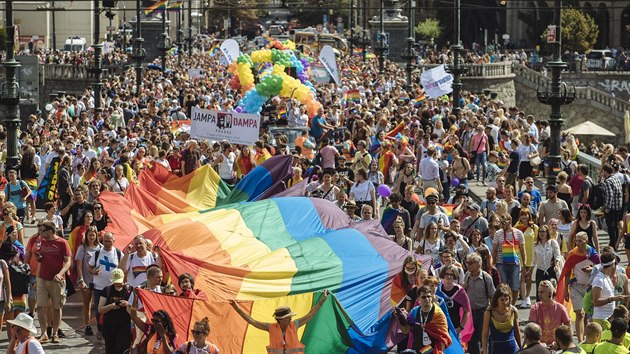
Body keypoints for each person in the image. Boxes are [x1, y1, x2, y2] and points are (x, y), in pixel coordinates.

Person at [230, 291, 329, 352]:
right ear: (280, 319)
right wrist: (237, 309)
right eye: (288, 317)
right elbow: (252, 321)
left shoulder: (295, 324)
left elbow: (310, 314)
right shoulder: (270, 327)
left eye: (290, 316)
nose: (290, 318)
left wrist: (322, 301)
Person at [556, 231, 600, 342]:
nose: (577, 243)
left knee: (586, 315)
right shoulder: (572, 254)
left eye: (580, 240)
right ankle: (580, 341)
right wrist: (565, 290)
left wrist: (592, 269)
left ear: (586, 241)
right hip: (575, 286)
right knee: (579, 313)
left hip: (589, 288)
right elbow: (566, 271)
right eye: (576, 240)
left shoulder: (593, 254)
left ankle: (585, 338)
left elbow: (600, 269)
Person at [35, 220, 71, 344]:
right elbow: (40, 257)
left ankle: (55, 333)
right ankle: (44, 333)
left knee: (57, 307)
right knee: (40, 306)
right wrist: (39, 258)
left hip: (57, 280)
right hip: (42, 278)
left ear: (50, 231)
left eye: (43, 230)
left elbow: (68, 261)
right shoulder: (42, 242)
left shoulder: (62, 243)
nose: (41, 232)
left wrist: (60, 274)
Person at [397, 285, 452, 354]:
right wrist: (398, 317)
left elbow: (443, 337)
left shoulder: (438, 314)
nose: (427, 299)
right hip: (417, 350)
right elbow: (406, 330)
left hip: (433, 350)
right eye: (424, 297)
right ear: (418, 299)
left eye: (429, 296)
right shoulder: (414, 311)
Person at [88, 232, 122, 340]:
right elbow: (89, 267)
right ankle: (100, 328)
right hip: (99, 287)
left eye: (109, 241)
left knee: (112, 310)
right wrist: (93, 272)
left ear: (113, 241)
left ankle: (110, 331)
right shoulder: (98, 253)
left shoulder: (118, 253)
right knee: (99, 310)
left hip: (113, 287)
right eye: (105, 241)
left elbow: (123, 268)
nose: (107, 243)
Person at [463, 252, 496, 354]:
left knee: (485, 339)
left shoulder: (486, 278)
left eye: (471, 263)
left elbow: (493, 296)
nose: (468, 265)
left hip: (483, 312)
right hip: (470, 313)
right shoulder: (467, 276)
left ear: (478, 264)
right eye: (467, 262)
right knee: (472, 340)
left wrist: (490, 313)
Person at [492, 215, 525, 305]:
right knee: (503, 287)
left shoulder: (518, 233)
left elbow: (522, 250)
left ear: (510, 221)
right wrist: (493, 263)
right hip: (501, 263)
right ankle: (504, 305)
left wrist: (524, 265)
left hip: (515, 263)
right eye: (501, 222)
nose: (502, 224)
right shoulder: (498, 233)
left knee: (515, 287)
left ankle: (512, 305)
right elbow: (494, 250)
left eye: (504, 222)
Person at [591, 252, 630, 330]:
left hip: (609, 318)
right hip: (601, 319)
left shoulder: (606, 277)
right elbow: (595, 302)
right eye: (615, 263)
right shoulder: (599, 279)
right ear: (612, 264)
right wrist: (612, 299)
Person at [98, 268, 132, 354]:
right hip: (110, 325)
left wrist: (127, 304)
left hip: (124, 325)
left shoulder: (129, 289)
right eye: (116, 281)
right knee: (110, 349)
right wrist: (110, 306)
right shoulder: (107, 290)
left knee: (122, 348)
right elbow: (100, 309)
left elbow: (135, 308)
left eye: (119, 281)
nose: (118, 283)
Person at [75, 225, 101, 336]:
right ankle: (87, 325)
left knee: (99, 304)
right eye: (89, 235)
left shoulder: (101, 248)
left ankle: (100, 326)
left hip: (98, 280)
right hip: (86, 279)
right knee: (87, 303)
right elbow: (79, 266)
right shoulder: (82, 248)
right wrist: (81, 280)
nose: (91, 237)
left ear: (96, 235)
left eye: (93, 235)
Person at [481, 283, 521, 354]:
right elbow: (485, 334)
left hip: (511, 349)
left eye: (507, 299)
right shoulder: (489, 313)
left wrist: (521, 348)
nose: (505, 302)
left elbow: (517, 332)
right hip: (495, 349)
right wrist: (484, 351)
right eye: (502, 300)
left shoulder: (513, 311)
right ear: (497, 300)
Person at [528, 280, 570, 345]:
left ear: (550, 293)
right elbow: (531, 330)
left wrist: (560, 344)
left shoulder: (561, 308)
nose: (539, 294)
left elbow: (568, 329)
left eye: (542, 292)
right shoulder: (535, 308)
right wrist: (538, 343)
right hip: (539, 345)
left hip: (557, 345)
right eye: (538, 292)